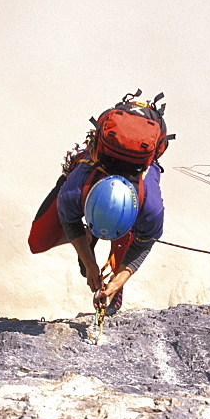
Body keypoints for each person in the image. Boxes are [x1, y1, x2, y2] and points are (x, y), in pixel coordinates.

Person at [28, 92, 171, 314]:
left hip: (131, 201)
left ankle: (115, 260)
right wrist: (90, 263)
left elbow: (143, 243)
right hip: (84, 180)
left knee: (123, 254)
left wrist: (119, 279)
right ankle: (89, 236)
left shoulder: (149, 208)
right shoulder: (74, 193)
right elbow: (70, 221)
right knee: (37, 242)